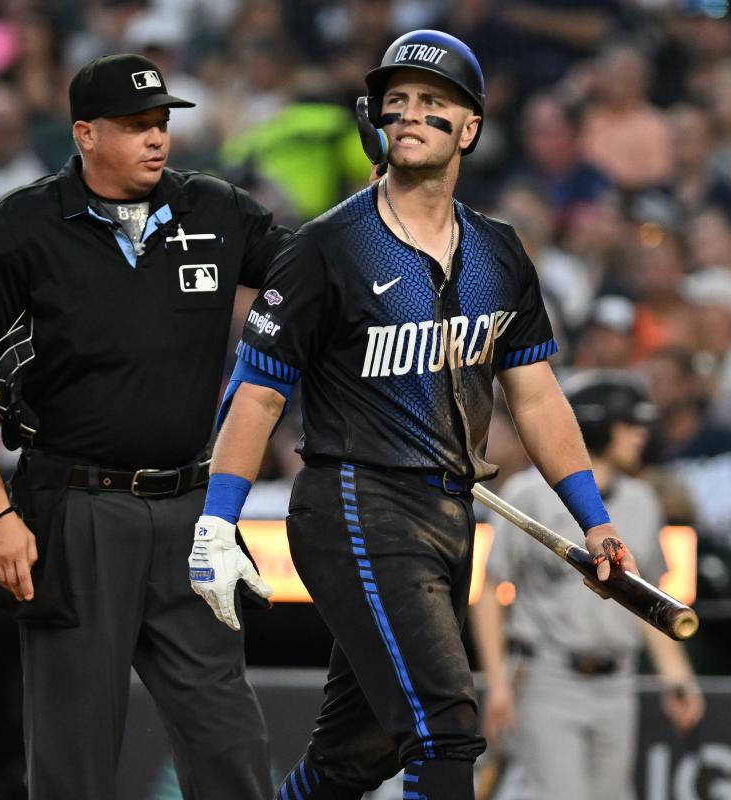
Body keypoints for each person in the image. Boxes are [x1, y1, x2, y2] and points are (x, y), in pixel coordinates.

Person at [186, 30, 644, 800]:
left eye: (434, 103)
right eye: (395, 102)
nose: (410, 114)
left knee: (356, 754)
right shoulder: (327, 246)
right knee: (446, 727)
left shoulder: (500, 252)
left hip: (449, 511)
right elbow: (257, 390)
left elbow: (534, 395)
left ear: (470, 129)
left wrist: (592, 518)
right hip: (355, 502)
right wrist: (215, 520)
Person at [0, 53, 288, 800]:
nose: (156, 139)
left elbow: (315, 275)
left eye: (161, 123)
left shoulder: (217, 211)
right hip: (77, 509)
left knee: (233, 745)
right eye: (135, 127)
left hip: (194, 510)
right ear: (85, 134)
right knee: (75, 762)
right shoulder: (13, 229)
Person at [471, 372, 704, 799]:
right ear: (598, 426)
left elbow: (649, 602)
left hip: (618, 681)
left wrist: (677, 676)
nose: (640, 437)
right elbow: (488, 588)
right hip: (547, 675)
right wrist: (497, 681)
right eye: (629, 425)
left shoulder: (643, 501)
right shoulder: (529, 493)